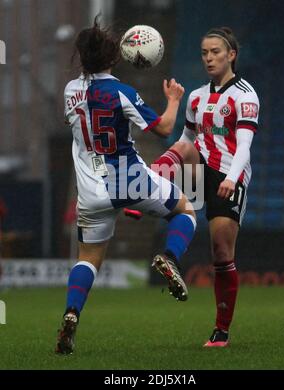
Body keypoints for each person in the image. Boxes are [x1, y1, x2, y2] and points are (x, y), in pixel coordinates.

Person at [55, 17, 197, 355]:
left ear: (81, 56)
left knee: (88, 259)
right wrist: (174, 99)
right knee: (185, 210)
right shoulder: (122, 92)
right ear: (112, 57)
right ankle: (169, 257)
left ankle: (72, 314)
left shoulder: (70, 91)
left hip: (89, 191)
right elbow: (162, 129)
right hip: (129, 178)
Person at [127, 27, 259, 347]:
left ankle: (221, 330)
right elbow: (186, 140)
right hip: (201, 169)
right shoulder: (197, 97)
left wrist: (231, 178)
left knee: (221, 253)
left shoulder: (245, 95)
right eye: (204, 53)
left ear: (231, 55)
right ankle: (142, 191)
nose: (209, 58)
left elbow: (244, 145)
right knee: (185, 146)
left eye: (215, 52)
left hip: (230, 175)